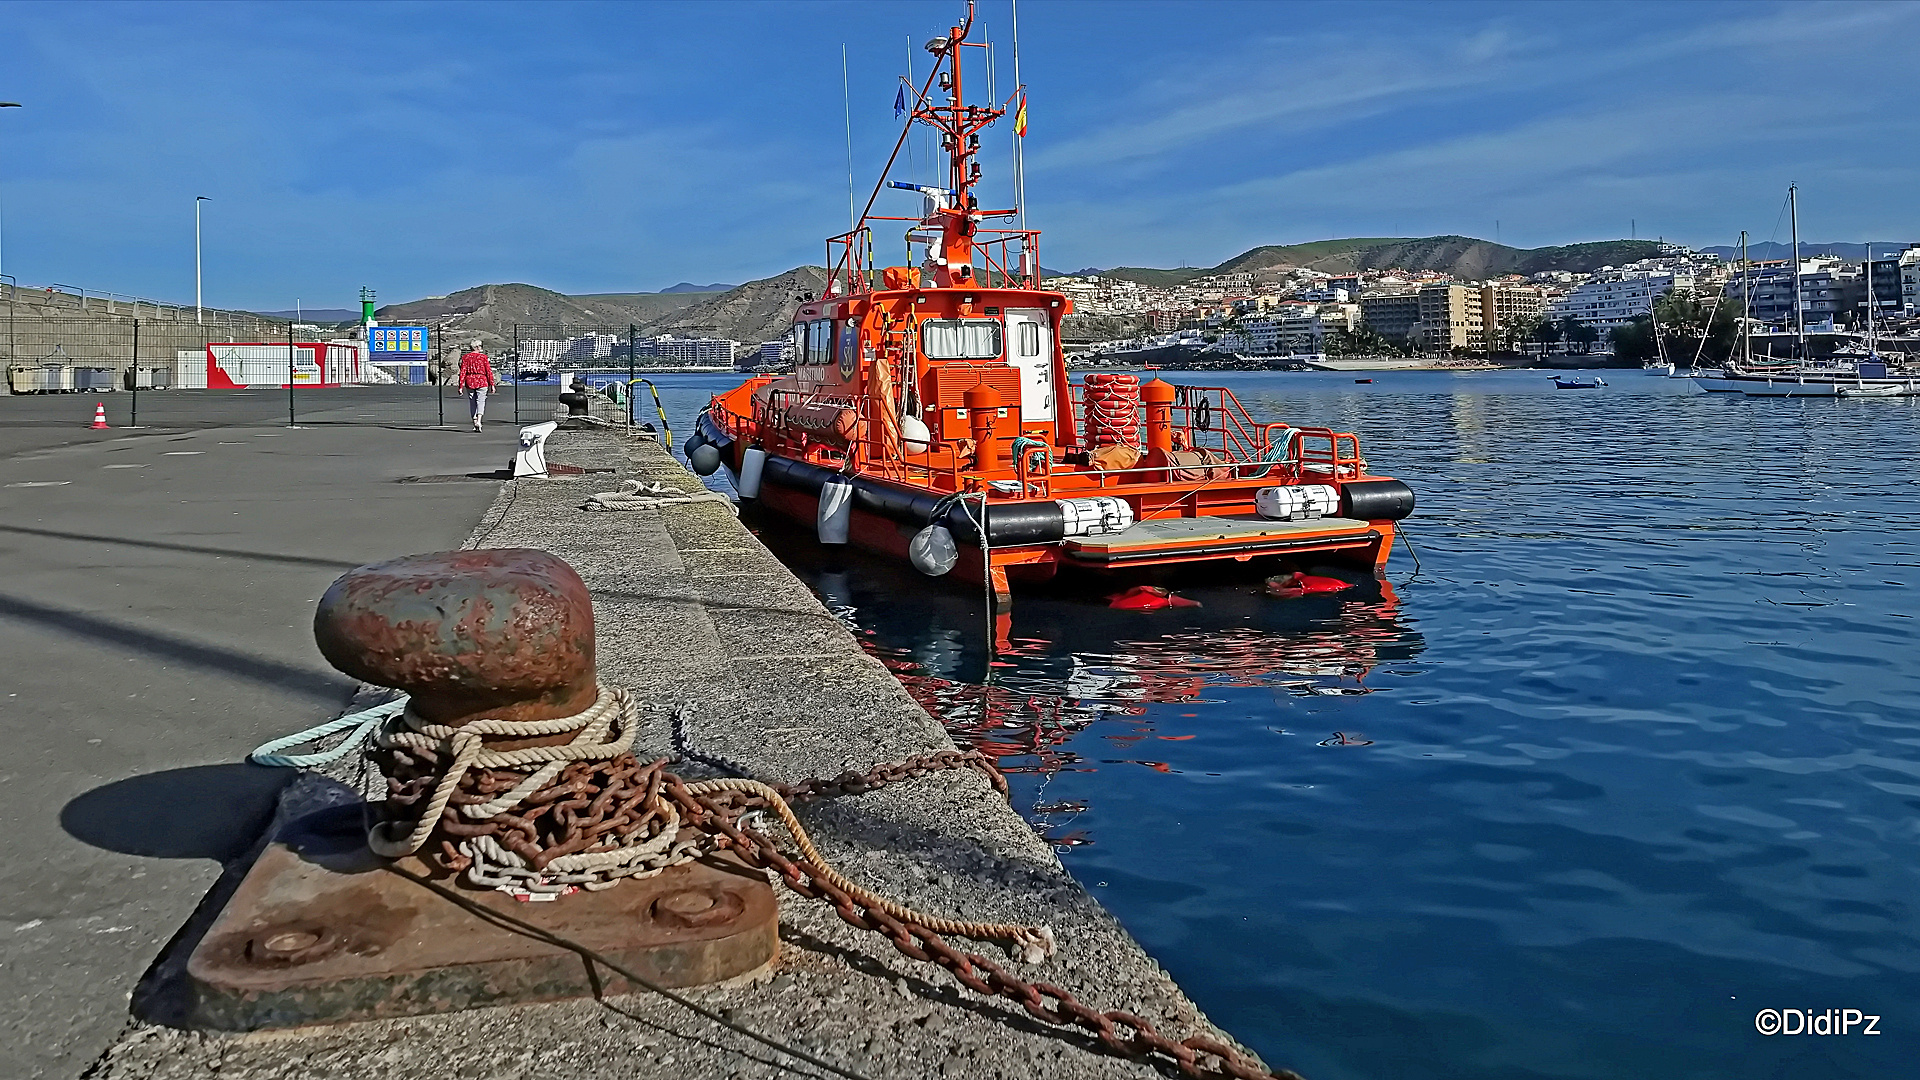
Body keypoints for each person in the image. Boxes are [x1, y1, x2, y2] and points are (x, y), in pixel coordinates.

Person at [457, 341, 498, 431]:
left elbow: (463, 372)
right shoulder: (483, 357)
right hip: (482, 380)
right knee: (481, 401)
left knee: (472, 402)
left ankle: (475, 421)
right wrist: (492, 384)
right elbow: (488, 371)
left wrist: (460, 386)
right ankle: (479, 420)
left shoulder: (465, 357)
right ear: (477, 347)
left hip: (470, 380)